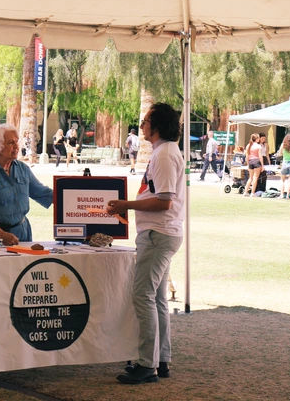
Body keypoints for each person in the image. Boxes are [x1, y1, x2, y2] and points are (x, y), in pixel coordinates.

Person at [106, 103, 184, 385]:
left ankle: (146, 363)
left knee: (143, 296)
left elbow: (164, 200)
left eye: (145, 120)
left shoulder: (164, 154)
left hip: (158, 234)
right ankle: (161, 359)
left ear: (157, 125)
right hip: (162, 233)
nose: (141, 125)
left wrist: (126, 205)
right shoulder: (166, 152)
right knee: (158, 298)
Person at [0, 124, 53, 245]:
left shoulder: (23, 169)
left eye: (17, 141)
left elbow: (44, 194)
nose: (16, 146)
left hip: (21, 235)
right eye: (10, 142)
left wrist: (74, 194)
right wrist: (1, 235)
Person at [275, 133, 290, 199]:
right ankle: (287, 195)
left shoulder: (283, 145)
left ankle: (281, 195)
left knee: (282, 180)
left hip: (285, 162)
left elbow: (279, 154)